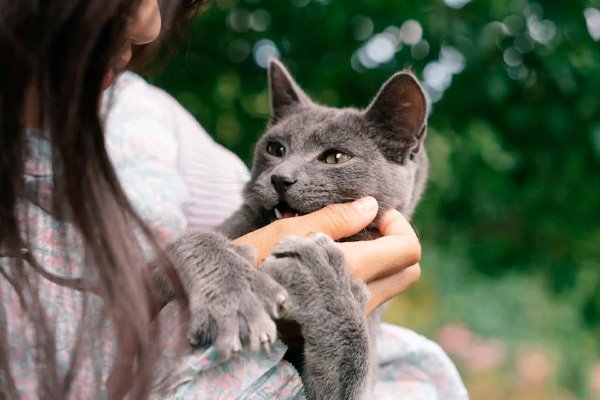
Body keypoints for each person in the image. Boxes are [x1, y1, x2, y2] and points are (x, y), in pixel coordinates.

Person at [0, 0, 467, 398]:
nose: (283, 172)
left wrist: (340, 321)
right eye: (277, 148)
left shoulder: (148, 122)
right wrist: (206, 256)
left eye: (334, 156)